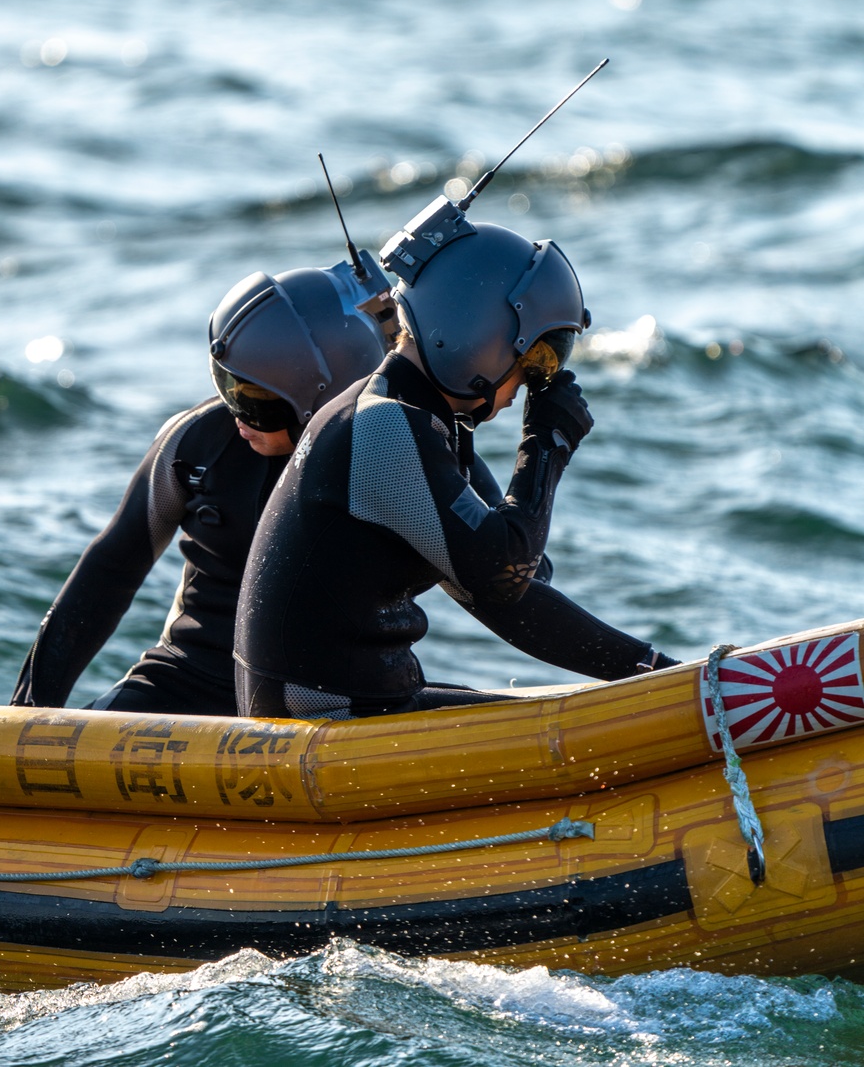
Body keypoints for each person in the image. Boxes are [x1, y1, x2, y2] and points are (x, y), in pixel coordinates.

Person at [235, 193, 677, 719]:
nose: (541, 379)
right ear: (479, 332)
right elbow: (502, 575)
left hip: (350, 703)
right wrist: (546, 444)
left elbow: (518, 592)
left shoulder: (414, 421)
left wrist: (656, 672)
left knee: (583, 711)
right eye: (539, 356)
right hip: (317, 722)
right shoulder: (382, 426)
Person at [10, 251, 393, 715]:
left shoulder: (394, 457)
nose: (237, 418)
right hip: (184, 679)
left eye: (256, 403)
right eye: (229, 386)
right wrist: (29, 714)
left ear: (322, 399)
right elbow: (112, 566)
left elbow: (491, 569)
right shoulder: (195, 441)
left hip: (336, 698)